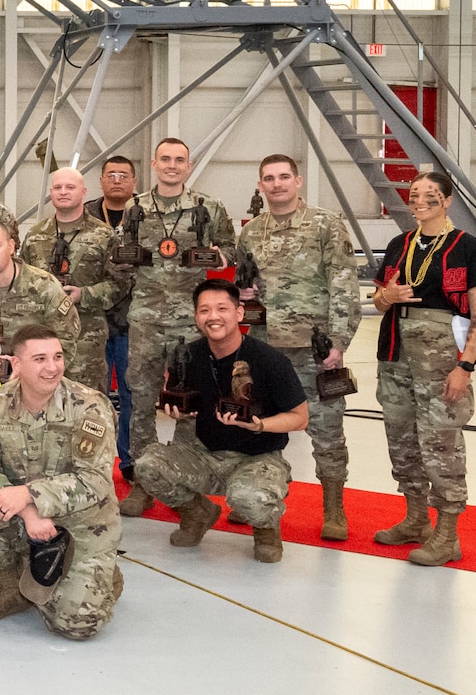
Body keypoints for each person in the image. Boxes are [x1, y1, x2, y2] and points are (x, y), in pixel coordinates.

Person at [0, 326, 122, 640]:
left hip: (81, 521)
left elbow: (95, 481)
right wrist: (28, 510)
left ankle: (96, 569)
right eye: (40, 358)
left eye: (57, 357)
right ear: (16, 366)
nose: (53, 367)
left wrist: (29, 494)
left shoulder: (90, 406)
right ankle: (14, 587)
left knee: (75, 624)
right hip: (21, 514)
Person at [370, 171, 476, 567]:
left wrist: (465, 366)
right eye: (414, 194)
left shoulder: (467, 247)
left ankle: (447, 534)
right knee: (401, 439)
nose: (420, 200)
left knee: (440, 443)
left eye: (430, 195)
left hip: (441, 358)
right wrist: (386, 296)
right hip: (395, 352)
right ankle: (416, 518)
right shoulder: (398, 244)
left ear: (447, 200)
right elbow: (377, 302)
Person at [238, 154, 361, 541]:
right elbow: (248, 286)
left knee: (326, 429)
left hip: (314, 348)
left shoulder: (325, 224)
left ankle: (333, 507)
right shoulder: (251, 232)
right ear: (261, 185)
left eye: (283, 177)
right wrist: (243, 295)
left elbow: (344, 284)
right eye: (269, 178)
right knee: (261, 428)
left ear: (298, 181)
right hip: (265, 349)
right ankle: (259, 498)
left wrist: (338, 342)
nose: (277, 184)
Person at [144, 280, 311, 562]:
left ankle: (265, 527)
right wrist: (179, 413)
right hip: (204, 453)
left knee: (251, 499)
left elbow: (300, 418)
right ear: (196, 316)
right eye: (205, 310)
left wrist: (260, 425)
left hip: (257, 457)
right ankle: (197, 514)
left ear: (239, 313)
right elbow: (178, 396)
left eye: (222, 308)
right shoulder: (189, 356)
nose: (213, 317)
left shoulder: (270, 361)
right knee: (148, 466)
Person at [116, 138, 237, 515]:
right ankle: (142, 482)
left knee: (190, 402)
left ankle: (184, 480)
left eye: (179, 160)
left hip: (192, 321)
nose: (172, 165)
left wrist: (219, 255)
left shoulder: (208, 208)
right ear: (154, 164)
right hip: (146, 319)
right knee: (139, 401)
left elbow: (231, 248)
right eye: (165, 159)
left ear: (189, 165)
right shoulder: (135, 208)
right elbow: (122, 254)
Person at [0, 220, 78, 420]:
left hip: (43, 383)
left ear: (11, 246)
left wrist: (29, 375)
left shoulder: (44, 287)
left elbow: (66, 344)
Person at [19, 168, 116, 393]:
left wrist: (85, 294)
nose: (63, 192)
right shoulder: (35, 235)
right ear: (51, 192)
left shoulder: (104, 235)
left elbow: (119, 283)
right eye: (58, 187)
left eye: (70, 187)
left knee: (89, 405)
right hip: (41, 336)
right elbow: (22, 282)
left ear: (83, 192)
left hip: (86, 338)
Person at [87, 154, 138, 469]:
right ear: (102, 180)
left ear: (134, 182)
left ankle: (129, 462)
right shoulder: (84, 214)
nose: (117, 180)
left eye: (124, 174)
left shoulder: (148, 215)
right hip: (91, 321)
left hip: (134, 321)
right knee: (93, 395)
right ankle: (94, 463)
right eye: (111, 174)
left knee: (133, 395)